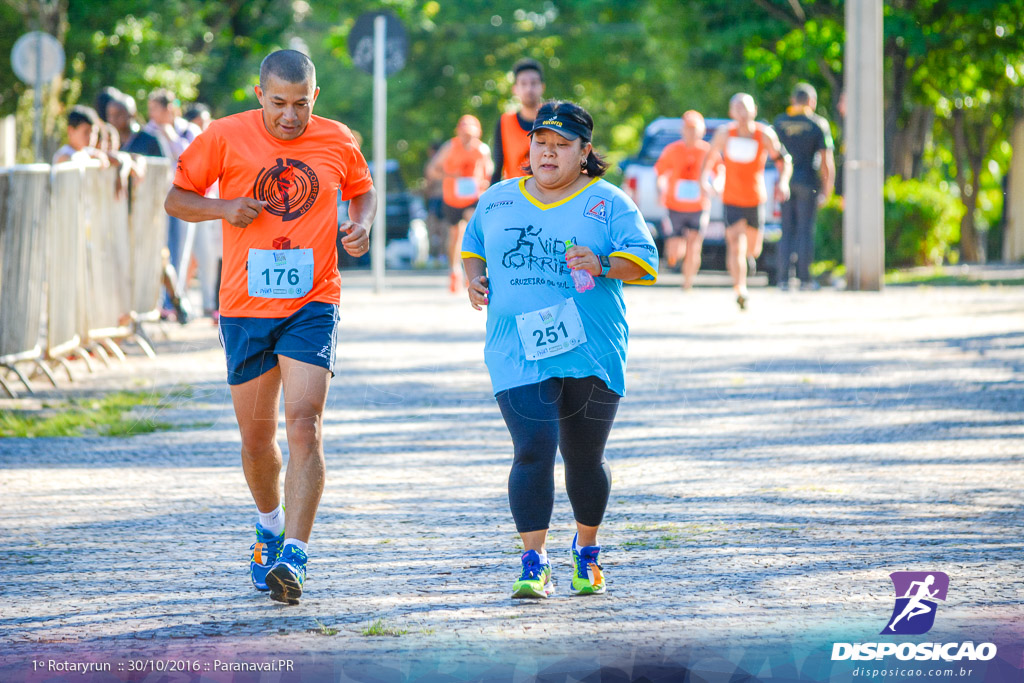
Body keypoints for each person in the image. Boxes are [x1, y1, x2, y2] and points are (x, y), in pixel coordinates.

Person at [165, 49, 376, 605]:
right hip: (244, 307)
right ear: (260, 94)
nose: (289, 115)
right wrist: (224, 206)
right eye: (278, 103)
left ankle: (296, 557)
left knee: (304, 424)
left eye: (301, 104)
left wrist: (362, 223)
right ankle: (269, 525)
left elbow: (363, 188)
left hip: (312, 302)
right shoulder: (224, 136)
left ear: (316, 97)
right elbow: (176, 197)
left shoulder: (336, 138)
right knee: (258, 442)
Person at [461, 100, 658, 599]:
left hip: (591, 349)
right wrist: (475, 281)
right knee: (532, 450)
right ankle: (534, 561)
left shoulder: (609, 202)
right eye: (540, 143)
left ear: (584, 152)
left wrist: (604, 262)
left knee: (584, 458)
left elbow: (646, 261)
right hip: (516, 349)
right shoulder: (499, 199)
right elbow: (473, 249)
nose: (548, 154)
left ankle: (587, 551)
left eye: (561, 146)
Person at [702, 93, 791, 310]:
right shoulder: (725, 134)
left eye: (746, 108)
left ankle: (747, 266)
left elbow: (784, 160)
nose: (742, 113)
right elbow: (710, 155)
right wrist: (705, 180)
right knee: (735, 245)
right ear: (731, 113)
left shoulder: (764, 135)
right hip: (731, 199)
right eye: (737, 108)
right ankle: (740, 289)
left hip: (755, 199)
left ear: (754, 110)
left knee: (753, 249)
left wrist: (784, 182)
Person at [773, 83, 835, 290]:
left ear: (793, 100)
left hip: (784, 182)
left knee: (787, 230)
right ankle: (805, 279)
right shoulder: (818, 124)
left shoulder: (780, 122)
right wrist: (827, 188)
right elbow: (827, 160)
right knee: (805, 231)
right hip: (808, 182)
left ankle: (782, 279)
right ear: (812, 102)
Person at [653, 110, 720, 289]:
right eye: (688, 129)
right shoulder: (672, 150)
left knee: (694, 243)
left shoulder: (707, 151)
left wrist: (716, 186)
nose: (691, 133)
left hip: (699, 206)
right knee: (675, 247)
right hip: (675, 205)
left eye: (695, 129)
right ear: (683, 130)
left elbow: (720, 171)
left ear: (702, 131)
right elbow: (660, 173)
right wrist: (660, 189)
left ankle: (687, 282)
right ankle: (675, 256)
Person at [426, 114, 492, 292]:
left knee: (469, 229)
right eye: (464, 134)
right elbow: (432, 170)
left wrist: (483, 184)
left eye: (470, 135)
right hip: (452, 198)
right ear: (458, 132)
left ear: (477, 134)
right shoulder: (450, 147)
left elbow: (489, 173)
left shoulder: (482, 150)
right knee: (455, 234)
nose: (467, 138)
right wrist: (449, 176)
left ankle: (472, 272)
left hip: (472, 198)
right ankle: (454, 271)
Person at [184, 103, 222, 320]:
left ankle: (210, 303)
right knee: (190, 257)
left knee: (210, 256)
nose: (204, 124)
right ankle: (183, 298)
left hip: (212, 203)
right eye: (201, 120)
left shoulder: (214, 140)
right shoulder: (190, 142)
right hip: (193, 203)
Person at [490, 58, 546, 185]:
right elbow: (498, 165)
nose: (529, 89)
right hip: (516, 195)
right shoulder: (504, 122)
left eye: (534, 83)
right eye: (523, 84)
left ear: (542, 87)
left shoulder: (555, 119)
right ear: (515, 89)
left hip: (550, 195)